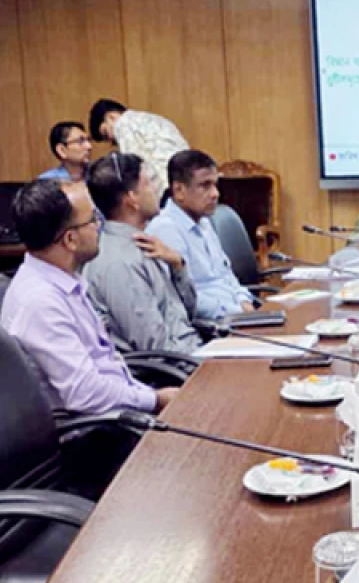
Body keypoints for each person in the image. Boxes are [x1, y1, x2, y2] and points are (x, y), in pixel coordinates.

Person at [0, 180, 177, 414]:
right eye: (93, 219)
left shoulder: (63, 279)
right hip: (99, 431)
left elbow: (104, 366)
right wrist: (156, 399)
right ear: (71, 240)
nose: (98, 226)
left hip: (124, 406)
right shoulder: (40, 303)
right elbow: (86, 394)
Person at [83, 153, 201, 354]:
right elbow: (157, 350)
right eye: (148, 184)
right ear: (132, 199)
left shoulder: (146, 244)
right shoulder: (120, 264)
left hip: (193, 350)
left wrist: (177, 265)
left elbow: (189, 314)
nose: (157, 189)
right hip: (178, 370)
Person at [146, 150, 253, 319]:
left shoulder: (203, 220)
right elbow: (184, 298)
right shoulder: (165, 229)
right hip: (211, 327)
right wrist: (237, 311)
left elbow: (225, 275)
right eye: (205, 185)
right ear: (179, 190)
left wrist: (244, 301)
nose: (215, 194)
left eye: (215, 185)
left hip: (236, 315)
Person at [89, 98, 190, 192]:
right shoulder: (154, 119)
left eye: (106, 133)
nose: (111, 140)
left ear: (111, 117)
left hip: (166, 188)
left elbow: (134, 166)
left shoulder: (123, 124)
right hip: (186, 179)